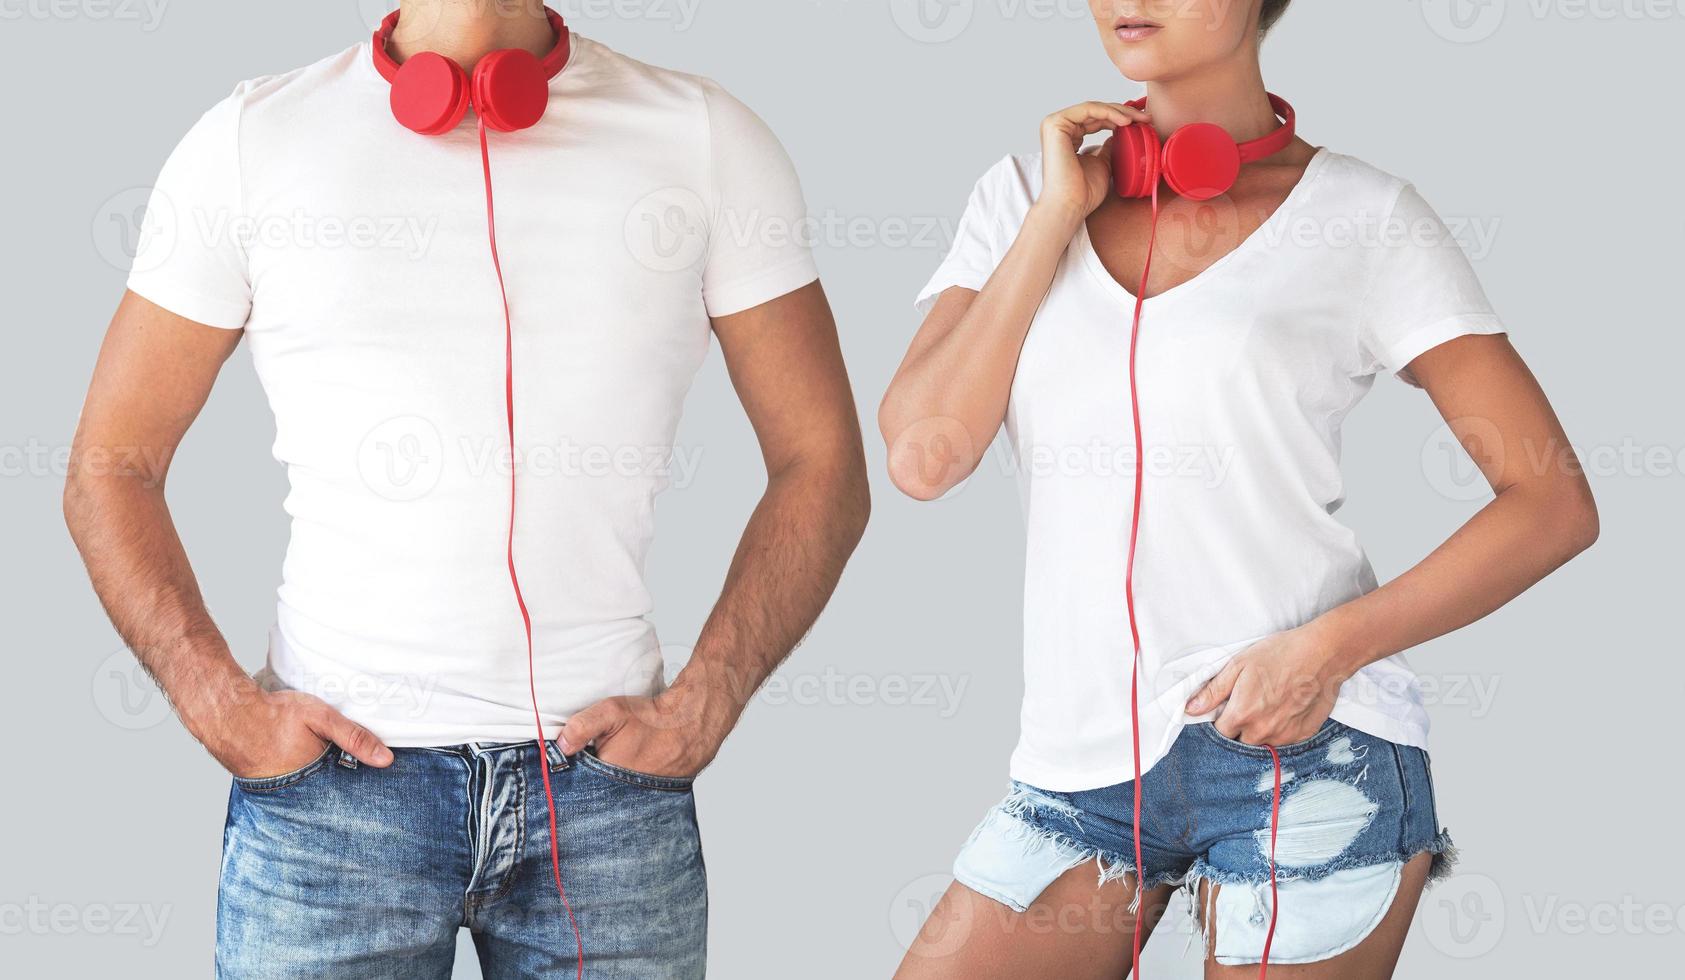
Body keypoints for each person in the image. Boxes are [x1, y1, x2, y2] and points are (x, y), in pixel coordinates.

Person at [63, 2, 868, 977]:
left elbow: (820, 458)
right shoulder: (250, 141)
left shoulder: (703, 137)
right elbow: (112, 461)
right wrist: (220, 707)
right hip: (329, 805)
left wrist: (706, 699)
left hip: (608, 802)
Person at [879, 2, 1596, 977]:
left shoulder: (1364, 216)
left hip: (1307, 747)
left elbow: (1548, 500)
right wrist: (1054, 218)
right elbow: (925, 458)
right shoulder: (1017, 198)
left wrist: (1326, 647)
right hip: (1078, 762)